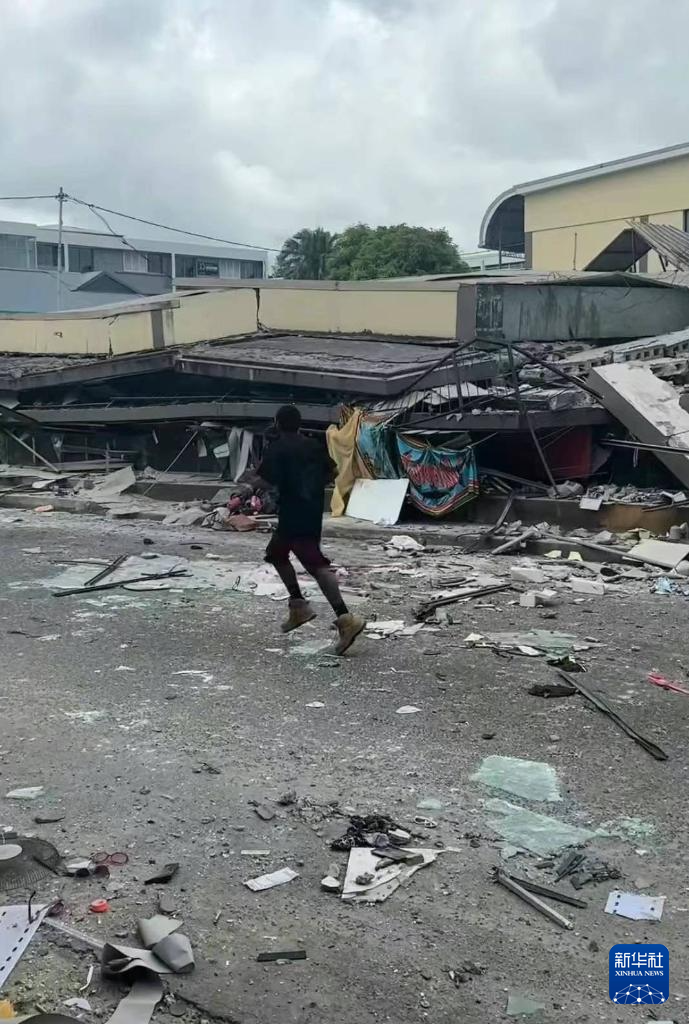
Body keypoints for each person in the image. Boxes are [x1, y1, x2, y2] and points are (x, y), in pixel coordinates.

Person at [257, 405, 365, 655]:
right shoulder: (313, 445)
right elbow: (333, 472)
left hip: (292, 513)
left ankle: (346, 619)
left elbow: (265, 479)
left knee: (316, 566)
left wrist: (248, 483)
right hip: (311, 511)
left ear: (277, 423)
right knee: (276, 554)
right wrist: (310, 483)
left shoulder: (278, 448)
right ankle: (298, 606)